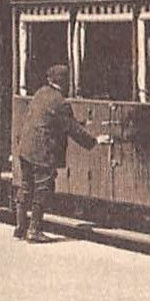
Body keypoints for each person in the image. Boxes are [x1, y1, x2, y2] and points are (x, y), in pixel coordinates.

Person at [13, 63, 110, 242]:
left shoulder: (40, 93)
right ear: (64, 82)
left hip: (25, 149)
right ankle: (34, 230)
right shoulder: (61, 101)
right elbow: (72, 129)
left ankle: (20, 228)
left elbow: (54, 119)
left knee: (26, 187)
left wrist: (78, 122)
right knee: (43, 188)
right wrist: (95, 141)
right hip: (42, 152)